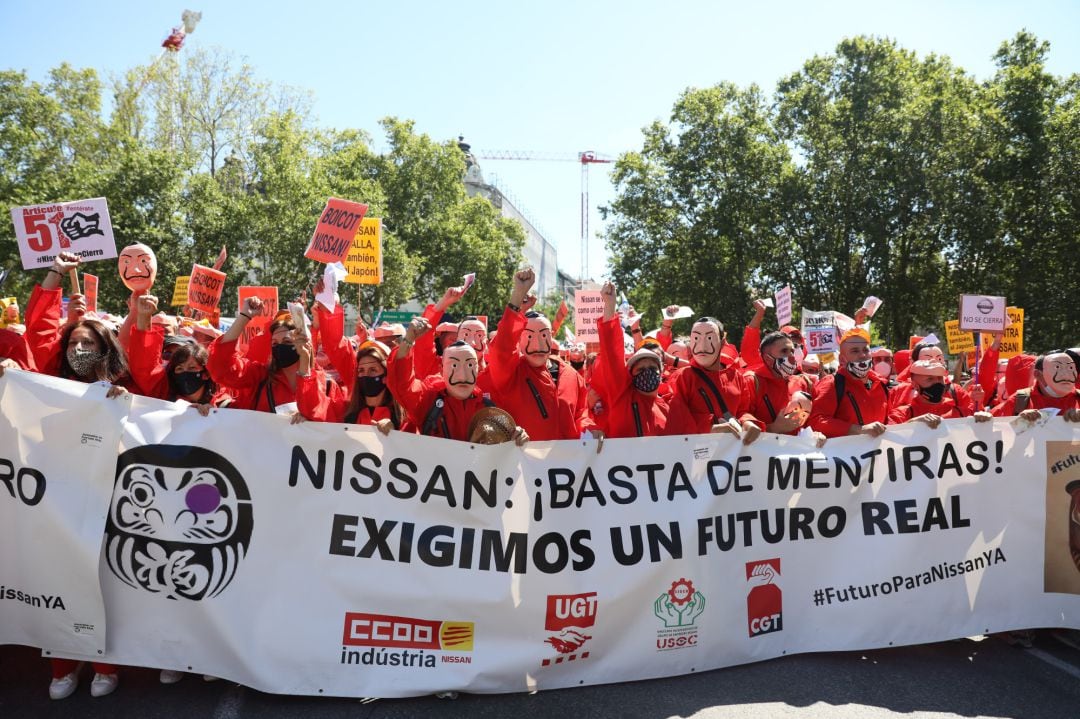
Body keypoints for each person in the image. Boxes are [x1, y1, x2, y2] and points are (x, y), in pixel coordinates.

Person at [388, 317, 527, 443]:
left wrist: (516, 437)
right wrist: (408, 340)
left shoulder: (488, 408)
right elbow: (402, 384)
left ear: (478, 368)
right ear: (442, 369)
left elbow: (503, 445)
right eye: (454, 365)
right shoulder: (427, 400)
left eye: (470, 365)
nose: (462, 375)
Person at [486, 268, 586, 441]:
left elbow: (581, 413)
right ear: (519, 339)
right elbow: (501, 349)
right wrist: (518, 295)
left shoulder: (571, 376)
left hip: (568, 465)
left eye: (544, 335)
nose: (538, 345)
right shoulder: (512, 373)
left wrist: (590, 428)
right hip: (525, 464)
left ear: (551, 337)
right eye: (529, 336)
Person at [207, 296, 342, 414]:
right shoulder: (260, 378)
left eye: (287, 341)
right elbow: (220, 368)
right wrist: (244, 317)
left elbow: (333, 427)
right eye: (274, 343)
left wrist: (305, 369)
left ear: (305, 344)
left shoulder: (328, 386)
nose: (279, 347)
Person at [588, 282, 668, 437]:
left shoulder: (670, 408)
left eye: (652, 369)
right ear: (630, 375)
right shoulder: (621, 397)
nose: (647, 373)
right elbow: (612, 353)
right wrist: (609, 305)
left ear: (662, 371)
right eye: (641, 369)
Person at [128, 294, 232, 412]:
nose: (185, 372)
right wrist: (144, 316)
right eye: (179, 369)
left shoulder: (224, 405)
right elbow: (144, 365)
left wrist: (216, 413)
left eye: (192, 367)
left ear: (206, 373)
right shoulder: (164, 394)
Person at [662, 315, 758, 439]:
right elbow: (674, 417)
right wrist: (709, 427)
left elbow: (743, 410)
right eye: (696, 338)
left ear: (722, 342)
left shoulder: (736, 377)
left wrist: (748, 422)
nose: (702, 346)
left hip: (731, 452)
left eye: (709, 338)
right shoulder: (682, 377)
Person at [808, 328, 890, 439]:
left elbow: (889, 419)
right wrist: (858, 430)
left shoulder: (880, 384)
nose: (862, 355)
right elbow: (815, 421)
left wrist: (912, 423)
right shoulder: (832, 384)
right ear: (842, 359)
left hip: (878, 454)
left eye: (866, 350)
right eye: (855, 351)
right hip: (843, 454)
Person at [745, 331, 824, 445]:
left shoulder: (804, 383)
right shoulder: (751, 381)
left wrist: (816, 432)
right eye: (784, 351)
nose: (791, 356)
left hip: (797, 457)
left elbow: (815, 418)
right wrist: (773, 428)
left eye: (792, 351)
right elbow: (742, 418)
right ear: (768, 359)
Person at [888, 360, 989, 426]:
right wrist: (913, 423)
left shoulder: (961, 412)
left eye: (940, 378)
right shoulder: (902, 414)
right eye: (930, 379)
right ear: (915, 385)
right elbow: (888, 435)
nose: (937, 383)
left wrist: (983, 415)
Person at [992, 352, 1080, 420]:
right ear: (1037, 374)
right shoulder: (1020, 400)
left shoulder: (1078, 397)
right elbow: (991, 425)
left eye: (1071, 368)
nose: (1066, 374)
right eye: (1057, 367)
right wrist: (1018, 421)